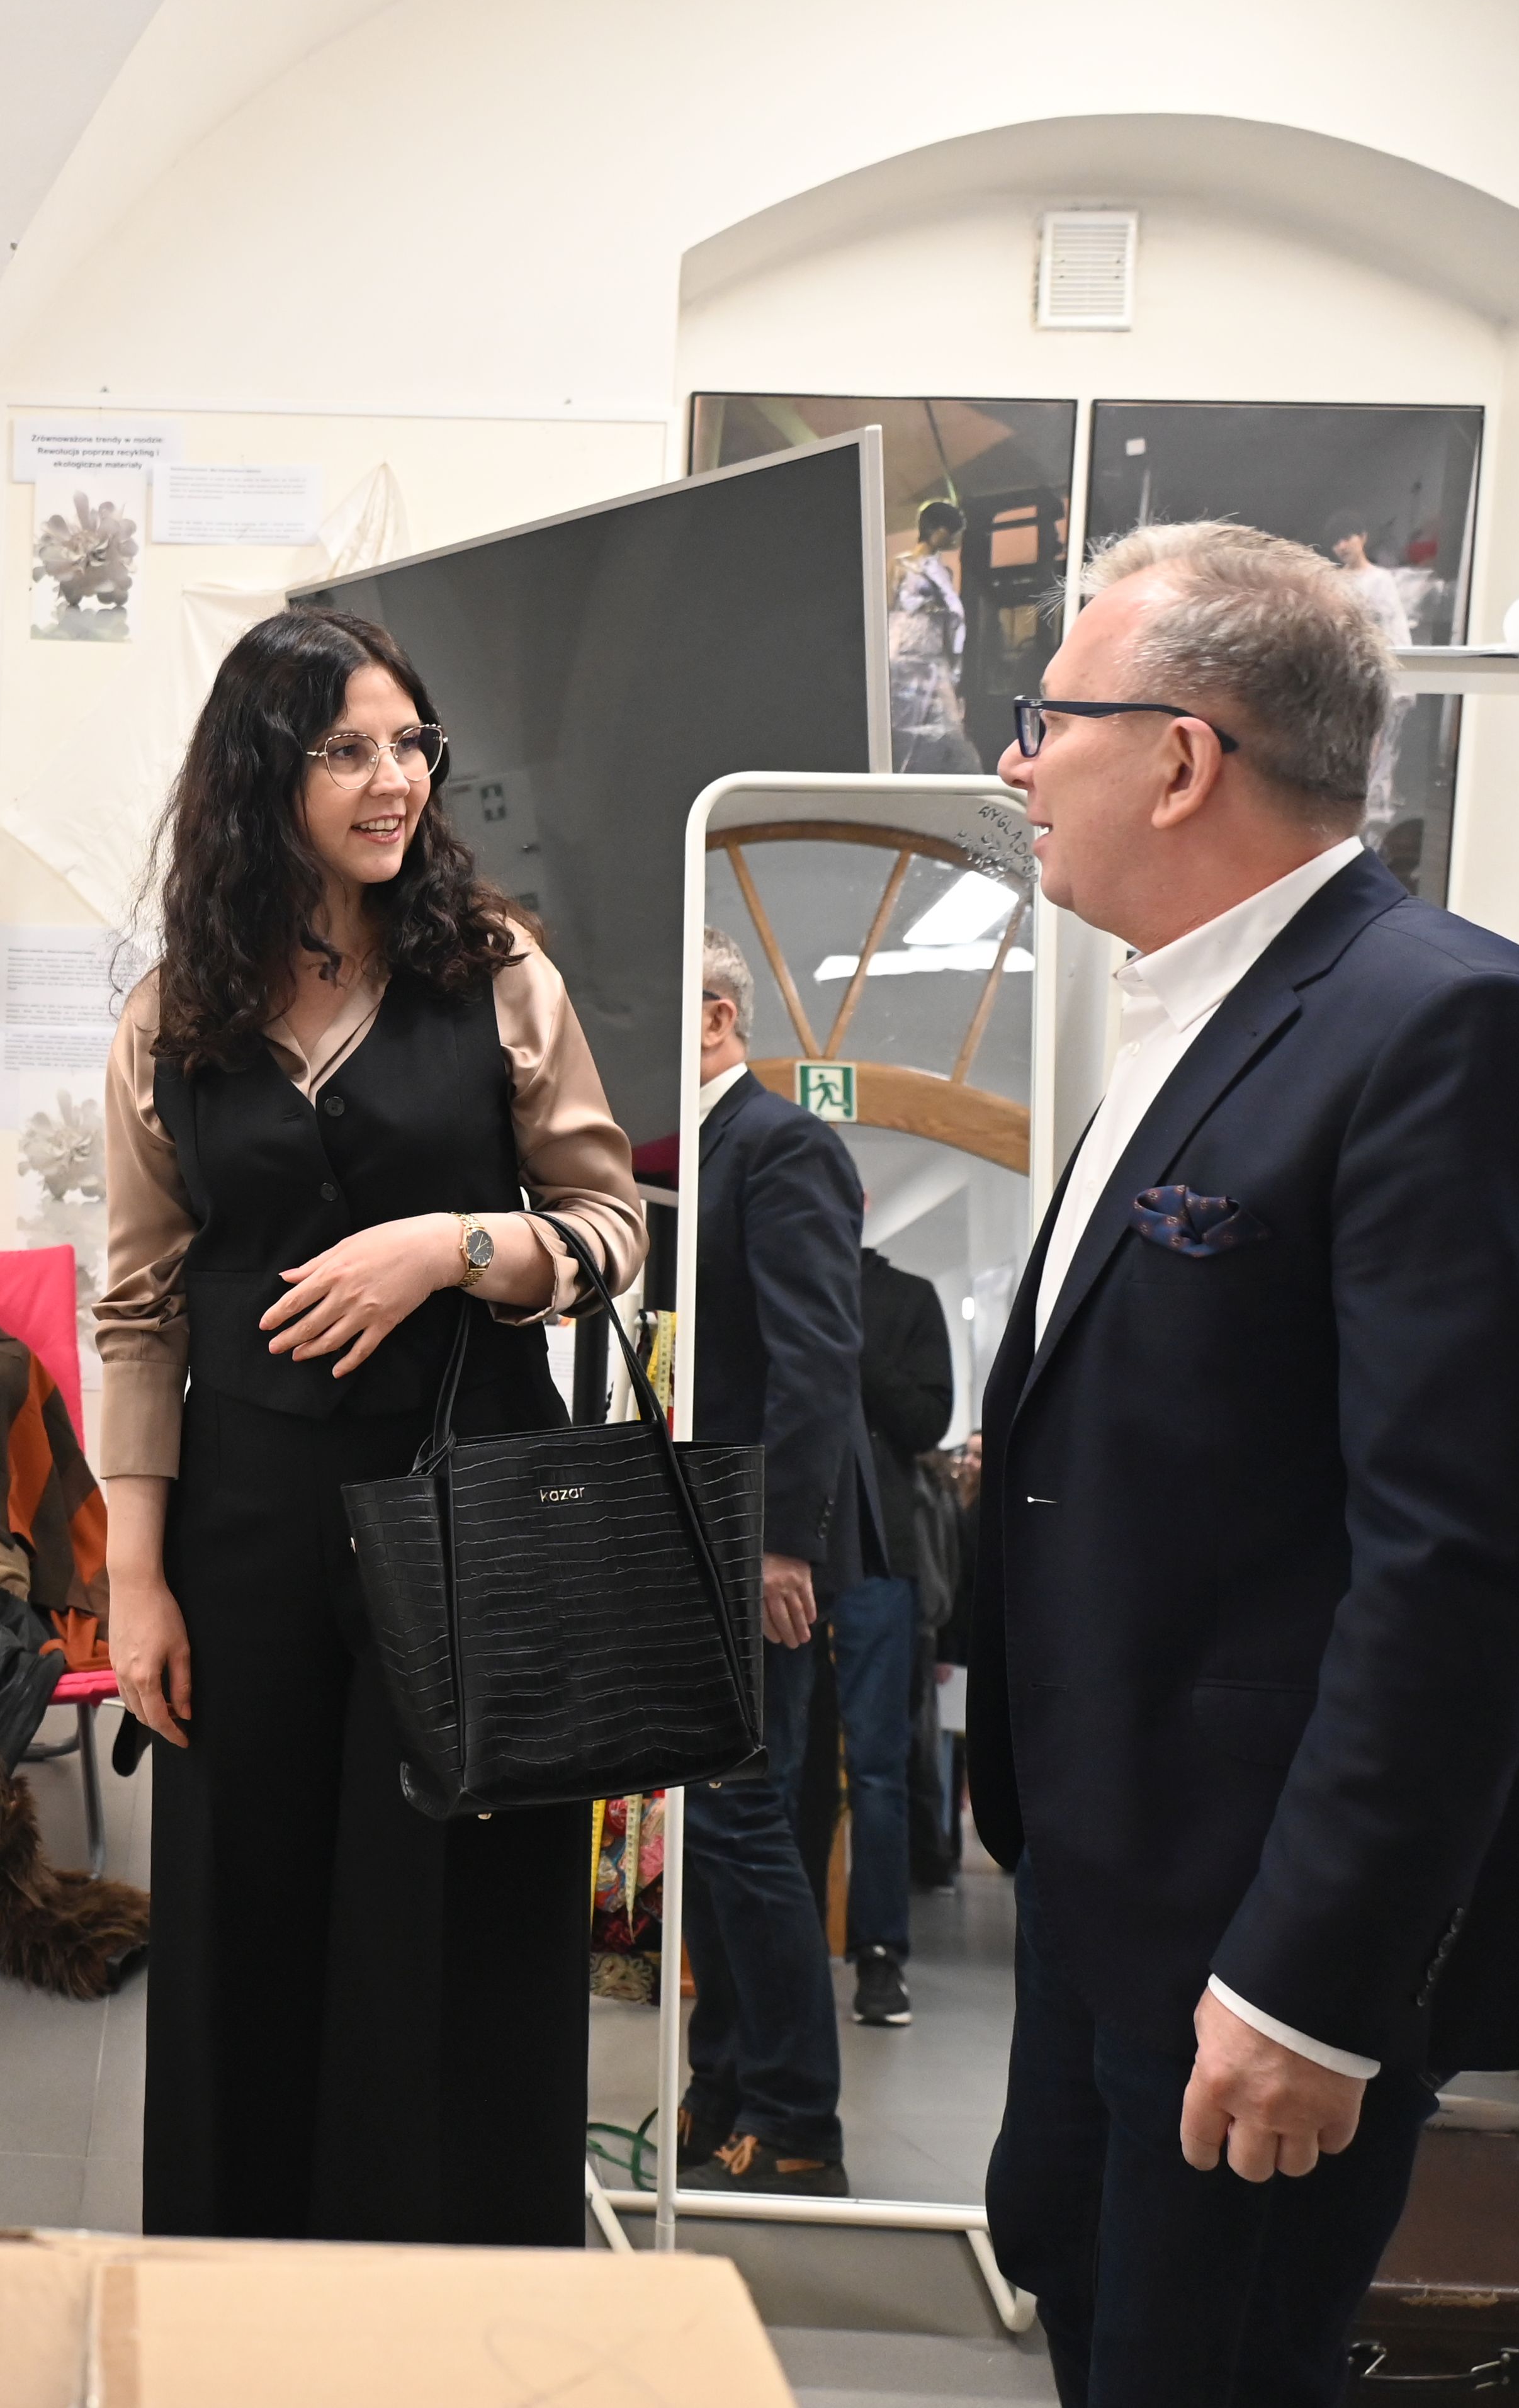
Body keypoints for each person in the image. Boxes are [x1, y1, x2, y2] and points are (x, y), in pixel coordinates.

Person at [976, 524, 1519, 2404]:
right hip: (1114, 1863)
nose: (1017, 759)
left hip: (1259, 1915)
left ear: (1180, 758)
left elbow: (1471, 1565)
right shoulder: (1193, 999)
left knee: (1205, 2363)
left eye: (1047, 718)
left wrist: (1310, 1979)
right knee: (1084, 2286)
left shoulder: (1450, 1028)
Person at [97, 607, 642, 2246]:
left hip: (473, 1510)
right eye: (347, 749)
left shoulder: (498, 972)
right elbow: (139, 1309)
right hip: (244, 1528)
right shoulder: (172, 1015)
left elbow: (610, 1228)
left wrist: (453, 1247)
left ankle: (454, 2301)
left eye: (412, 744)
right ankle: (238, 2299)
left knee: (458, 1923)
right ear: (262, 775)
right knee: (244, 1918)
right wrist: (134, 1578)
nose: (393, 778)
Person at [667, 930, 889, 2191]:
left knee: (744, 1817)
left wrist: (784, 1542)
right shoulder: (696, 1153)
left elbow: (816, 1355)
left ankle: (799, 2118)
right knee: (713, 1820)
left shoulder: (779, 1142)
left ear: (716, 1016)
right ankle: (725, 2089)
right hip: (699, 1527)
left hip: (757, 1540)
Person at [855, 1233, 955, 1916]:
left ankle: (879, 1942)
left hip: (881, 1550)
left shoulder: (907, 1297)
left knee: (878, 1760)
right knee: (785, 1763)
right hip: (791, 1539)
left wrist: (853, 1346)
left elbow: (926, 1423)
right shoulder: (775, 1282)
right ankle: (800, 1943)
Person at [891, 500, 973, 772]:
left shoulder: (944, 571)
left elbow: (952, 614)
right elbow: (889, 607)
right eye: (951, 532)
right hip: (904, 650)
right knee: (903, 718)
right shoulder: (901, 565)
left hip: (934, 652)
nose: (954, 539)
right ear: (938, 531)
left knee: (944, 723)